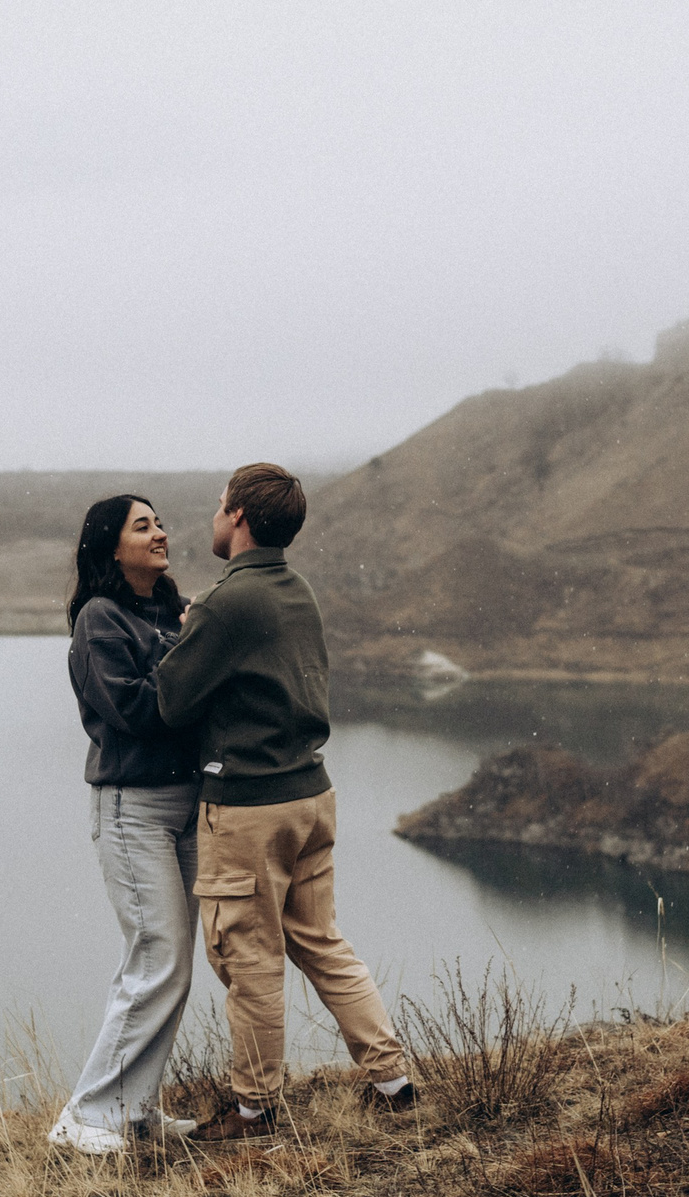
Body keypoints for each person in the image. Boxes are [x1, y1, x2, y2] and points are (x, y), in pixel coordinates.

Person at [155, 463, 415, 1139]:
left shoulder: (226, 601)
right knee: (320, 941)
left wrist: (189, 633)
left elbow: (171, 701)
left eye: (220, 505)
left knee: (247, 960)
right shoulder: (297, 590)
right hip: (310, 795)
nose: (214, 516)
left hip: (249, 808)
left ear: (239, 516)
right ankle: (394, 1081)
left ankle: (255, 1110)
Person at [46, 495, 204, 1155]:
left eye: (159, 523)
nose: (160, 533)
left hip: (187, 802)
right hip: (131, 805)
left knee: (171, 963)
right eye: (144, 526)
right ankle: (84, 1116)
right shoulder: (99, 618)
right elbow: (135, 710)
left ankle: (133, 1110)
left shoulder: (173, 611)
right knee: (156, 955)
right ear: (111, 547)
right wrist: (194, 652)